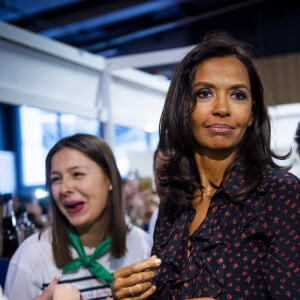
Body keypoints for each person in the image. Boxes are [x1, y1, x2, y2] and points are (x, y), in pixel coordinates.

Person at [111, 32, 300, 299]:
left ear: (252, 114)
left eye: (237, 95)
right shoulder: (172, 207)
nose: (222, 108)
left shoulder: (279, 193)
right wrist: (131, 293)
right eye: (205, 93)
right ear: (183, 106)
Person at [4, 133, 152, 300]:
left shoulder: (142, 245)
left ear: (109, 178)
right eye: (56, 179)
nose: (64, 188)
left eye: (77, 174)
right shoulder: (30, 256)